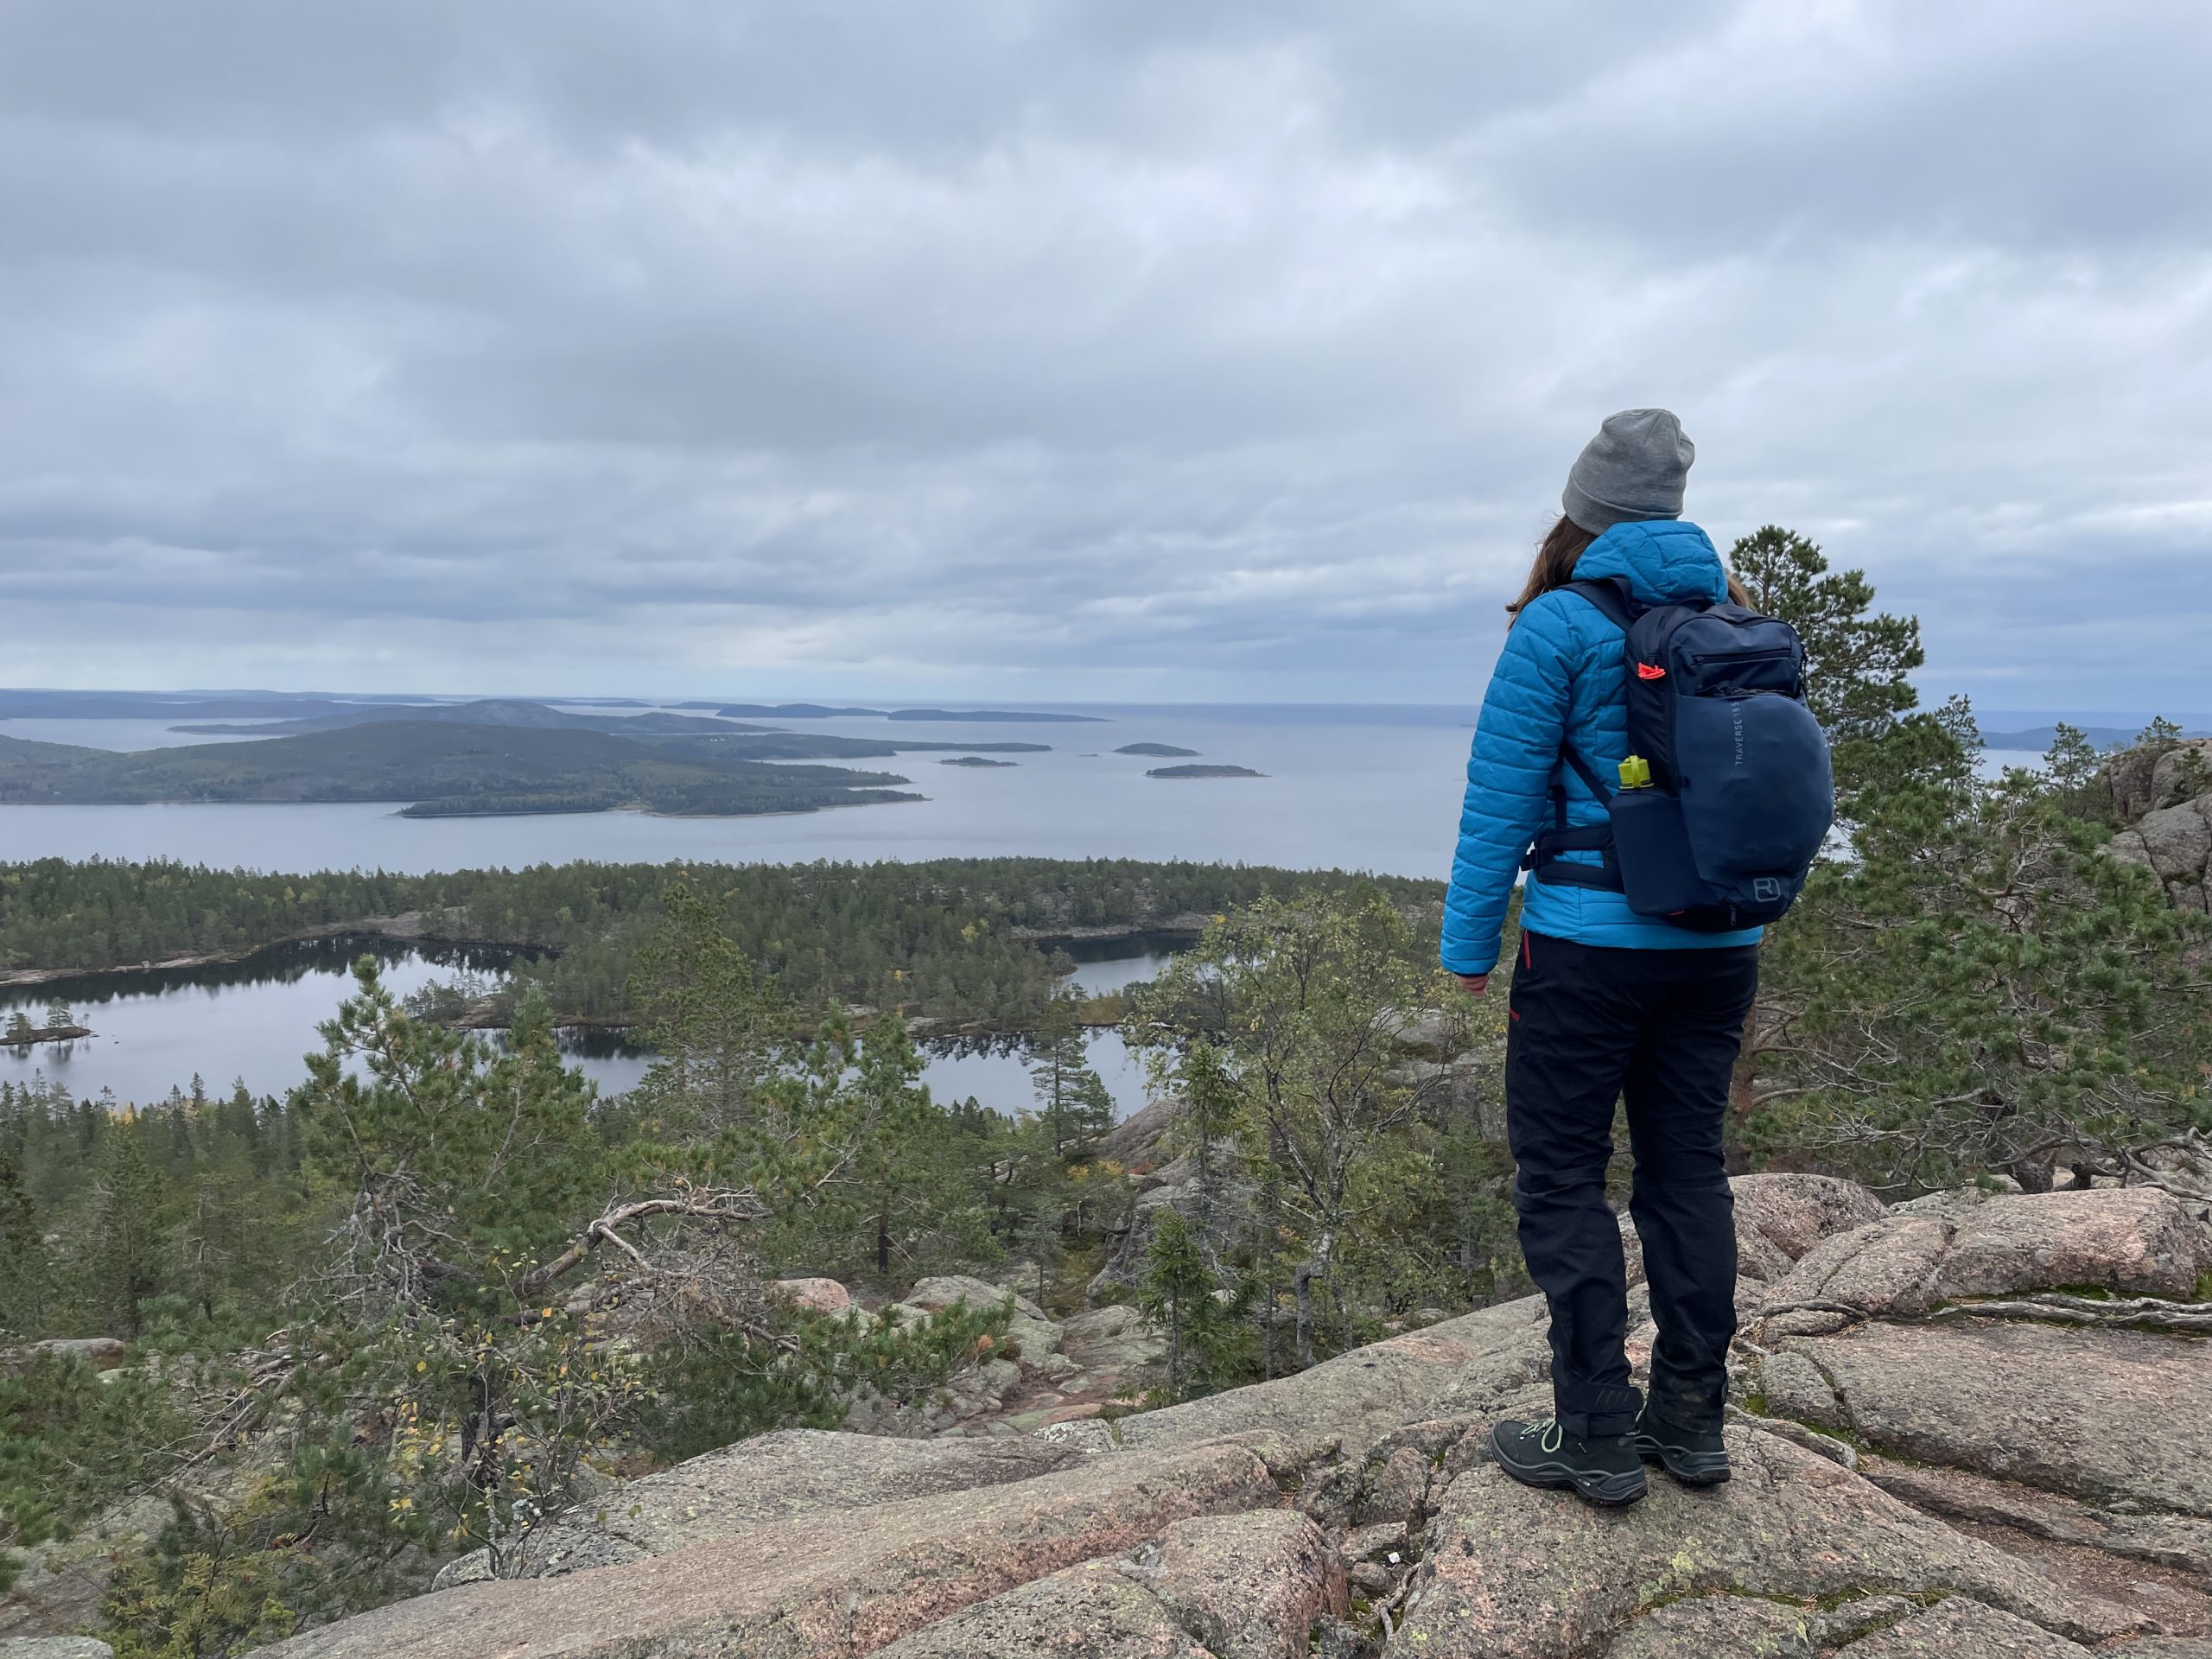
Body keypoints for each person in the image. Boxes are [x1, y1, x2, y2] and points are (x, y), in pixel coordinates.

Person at [1441, 408, 1759, 1507]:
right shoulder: (1733, 619)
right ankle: (1691, 1419)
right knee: (1685, 1174)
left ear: (1580, 510)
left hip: (1585, 955)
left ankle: (1594, 1432)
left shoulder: (1559, 627)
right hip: (1720, 950)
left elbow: (1499, 805)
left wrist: (1469, 947)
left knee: (1564, 1182)